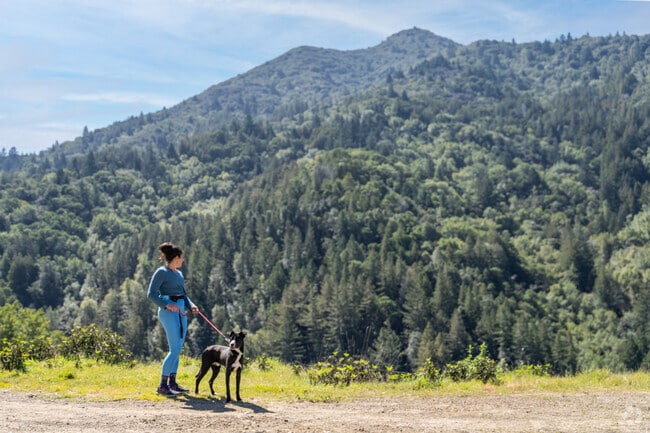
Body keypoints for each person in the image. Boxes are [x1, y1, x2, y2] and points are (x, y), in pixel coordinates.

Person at [147, 242, 199, 396]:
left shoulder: (179, 274)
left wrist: (192, 306)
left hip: (181, 311)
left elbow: (183, 295)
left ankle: (172, 383)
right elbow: (151, 294)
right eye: (181, 257)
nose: (183, 260)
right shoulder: (161, 272)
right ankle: (162, 386)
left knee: (177, 349)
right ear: (176, 257)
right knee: (175, 349)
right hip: (168, 312)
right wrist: (167, 305)